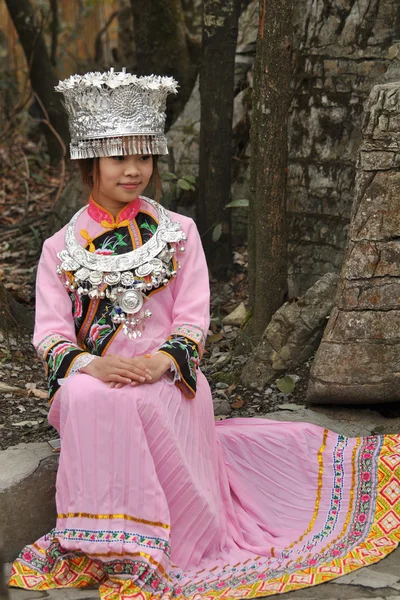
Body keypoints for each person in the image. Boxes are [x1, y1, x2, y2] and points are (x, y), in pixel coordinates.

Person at [9, 69, 400, 600]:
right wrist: (92, 364)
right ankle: (100, 545)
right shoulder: (61, 247)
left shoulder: (179, 233)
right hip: (93, 379)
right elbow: (50, 335)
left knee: (138, 403)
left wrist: (159, 362)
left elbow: (193, 320)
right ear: (90, 162)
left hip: (168, 380)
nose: (134, 170)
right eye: (120, 157)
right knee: (85, 393)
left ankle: (153, 551)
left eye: (143, 156)